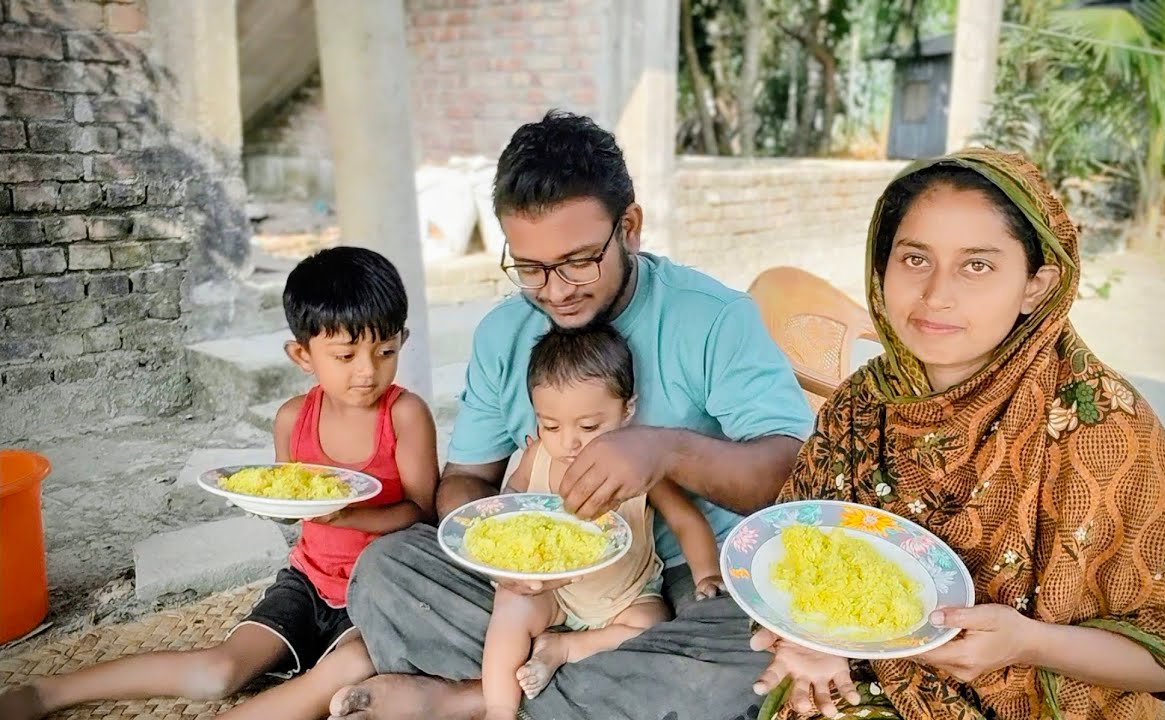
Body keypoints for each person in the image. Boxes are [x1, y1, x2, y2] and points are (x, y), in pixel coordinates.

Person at [327, 110, 814, 720]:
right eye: (530, 268)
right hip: (542, 585)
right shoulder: (504, 333)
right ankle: (566, 691)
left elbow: (796, 477)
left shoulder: (714, 317)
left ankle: (475, 699)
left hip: (684, 582)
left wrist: (668, 450)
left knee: (756, 645)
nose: (555, 291)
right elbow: (465, 483)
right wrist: (504, 552)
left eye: (579, 261)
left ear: (630, 227)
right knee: (386, 569)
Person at [749, 149, 1165, 720]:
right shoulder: (862, 404)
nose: (936, 294)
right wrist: (813, 638)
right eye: (914, 258)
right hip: (878, 679)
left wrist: (1027, 642)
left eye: (977, 266)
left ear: (1036, 287)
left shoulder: (1097, 423)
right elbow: (799, 549)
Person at [0, 246, 441, 720]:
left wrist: (351, 515)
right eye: (346, 354)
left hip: (377, 590)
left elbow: (421, 511)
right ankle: (48, 692)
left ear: (403, 339)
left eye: (386, 351)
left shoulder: (405, 415)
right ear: (302, 355)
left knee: (351, 668)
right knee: (218, 673)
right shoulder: (294, 420)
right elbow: (287, 498)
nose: (367, 371)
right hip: (308, 580)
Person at [483, 325, 725, 720]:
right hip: (554, 593)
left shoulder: (639, 470)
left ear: (627, 409)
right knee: (509, 606)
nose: (569, 442)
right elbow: (512, 500)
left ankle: (564, 650)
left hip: (627, 595)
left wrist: (706, 575)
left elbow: (685, 520)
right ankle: (497, 707)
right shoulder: (538, 457)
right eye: (551, 425)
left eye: (589, 426)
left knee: (654, 626)